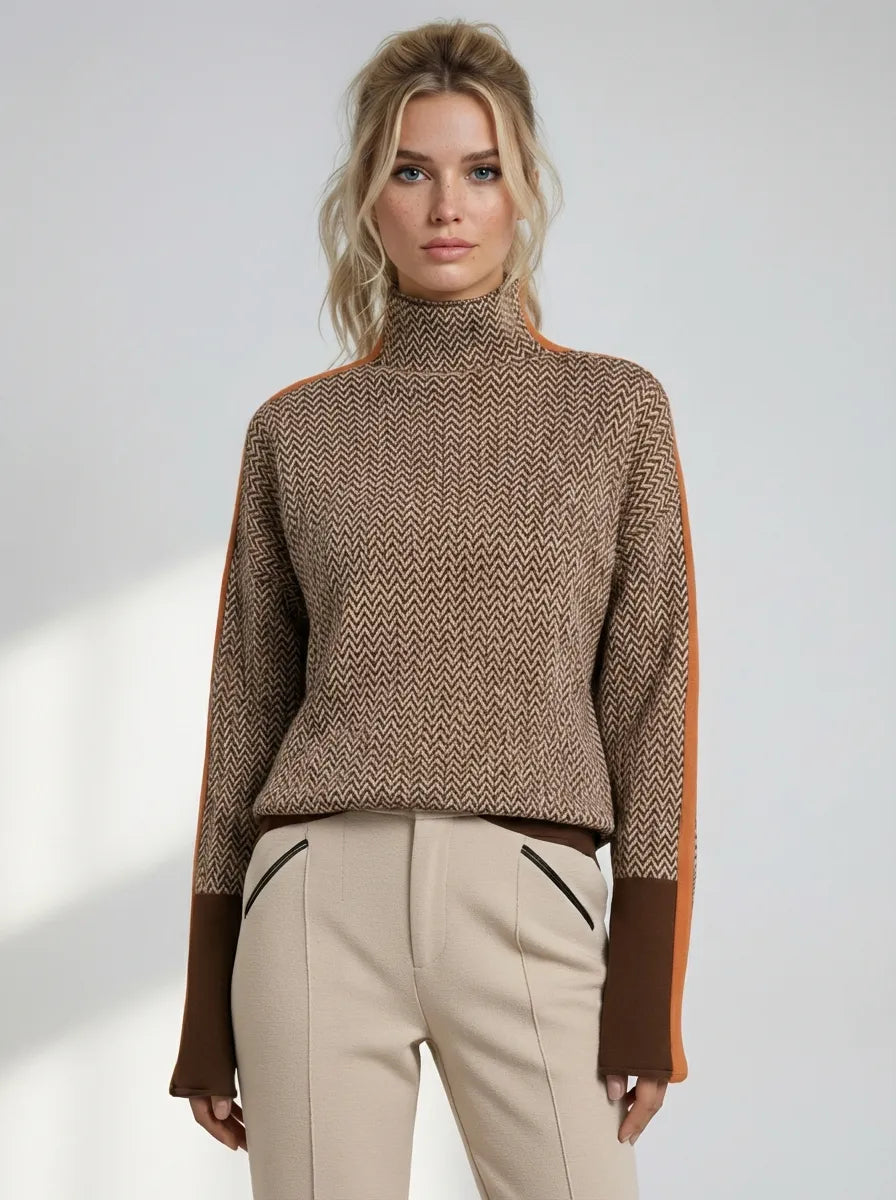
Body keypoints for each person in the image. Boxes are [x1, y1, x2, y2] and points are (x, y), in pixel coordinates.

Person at [168, 17, 698, 1199]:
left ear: (522, 191)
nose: (444, 206)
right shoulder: (296, 431)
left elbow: (649, 698)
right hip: (314, 904)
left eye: (479, 170)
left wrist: (643, 997)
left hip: (527, 896)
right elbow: (245, 713)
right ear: (367, 194)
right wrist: (207, 1012)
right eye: (409, 170)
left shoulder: (612, 412)